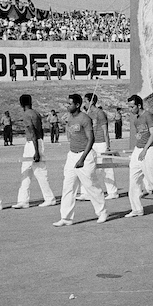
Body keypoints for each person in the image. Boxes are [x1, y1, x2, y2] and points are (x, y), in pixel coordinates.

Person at [52, 94, 108, 227]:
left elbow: (91, 139)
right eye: (67, 103)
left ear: (77, 105)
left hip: (85, 155)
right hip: (72, 155)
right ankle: (66, 217)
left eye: (70, 104)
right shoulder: (70, 118)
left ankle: (102, 212)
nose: (67, 106)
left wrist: (82, 159)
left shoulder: (85, 118)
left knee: (90, 185)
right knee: (68, 186)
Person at [124, 94, 153, 218]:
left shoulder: (148, 116)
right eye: (129, 107)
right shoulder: (136, 120)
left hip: (149, 150)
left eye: (132, 107)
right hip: (138, 149)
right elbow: (140, 134)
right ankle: (136, 209)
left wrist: (144, 150)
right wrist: (139, 142)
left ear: (139, 105)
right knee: (133, 179)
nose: (130, 109)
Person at [11, 94, 56, 209]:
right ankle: (23, 200)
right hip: (35, 142)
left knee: (39, 172)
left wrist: (36, 151)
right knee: (26, 171)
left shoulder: (27, 114)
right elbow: (39, 131)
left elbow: (32, 131)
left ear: (21, 104)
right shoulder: (36, 113)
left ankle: (49, 198)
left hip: (33, 143)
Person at [84, 93, 119, 199]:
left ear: (91, 102)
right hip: (92, 143)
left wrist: (108, 146)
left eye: (85, 101)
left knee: (106, 168)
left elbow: (105, 130)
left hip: (101, 143)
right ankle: (88, 192)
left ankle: (113, 192)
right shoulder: (87, 114)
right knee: (89, 167)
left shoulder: (100, 113)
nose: (84, 103)